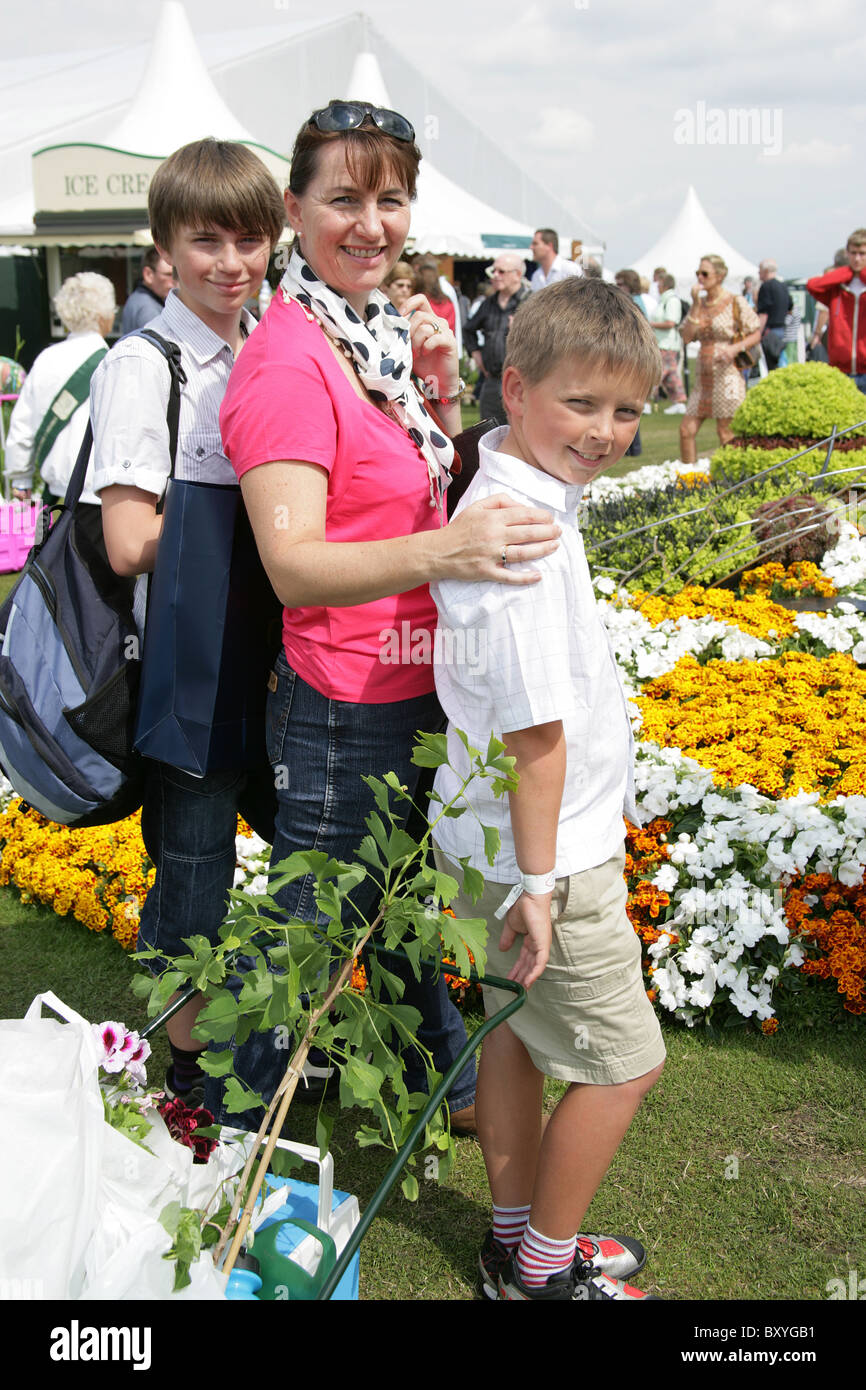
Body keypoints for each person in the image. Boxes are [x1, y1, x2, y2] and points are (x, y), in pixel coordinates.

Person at [215, 100, 561, 1133]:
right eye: (343, 199)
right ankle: (220, 1133)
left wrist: (440, 409)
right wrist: (448, 549)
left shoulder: (362, 336)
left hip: (411, 680)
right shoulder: (286, 362)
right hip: (340, 697)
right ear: (293, 209)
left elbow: (394, 490)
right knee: (307, 930)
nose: (370, 223)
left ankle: (448, 1083)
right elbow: (293, 564)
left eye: (390, 198)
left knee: (397, 903)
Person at [430, 276, 667, 1301]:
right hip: (544, 858)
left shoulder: (510, 491)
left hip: (481, 837)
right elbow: (534, 735)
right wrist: (538, 884)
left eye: (625, 409)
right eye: (581, 403)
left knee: (514, 1038)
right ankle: (538, 1274)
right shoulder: (519, 531)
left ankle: (509, 1235)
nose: (605, 431)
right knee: (622, 1064)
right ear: (516, 389)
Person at [89, 138, 286, 1106]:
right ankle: (190, 1068)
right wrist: (264, 525)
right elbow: (127, 538)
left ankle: (266, 1038)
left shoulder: (261, 350)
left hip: (265, 654)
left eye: (249, 239)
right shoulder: (145, 364)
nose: (229, 262)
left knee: (297, 845)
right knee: (197, 867)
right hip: (187, 662)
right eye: (205, 240)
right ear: (163, 248)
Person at [5, 272, 116, 508]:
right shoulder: (113, 362)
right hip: (103, 494)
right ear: (105, 315)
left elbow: (21, 427)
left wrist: (21, 479)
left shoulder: (46, 358)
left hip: (55, 497)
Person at [679, 254, 761, 465]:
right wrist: (696, 305)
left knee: (726, 431)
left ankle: (732, 478)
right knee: (686, 429)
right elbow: (687, 336)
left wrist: (735, 348)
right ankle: (689, 479)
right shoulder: (700, 304)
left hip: (728, 373)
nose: (700, 277)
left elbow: (756, 331)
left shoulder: (734, 301)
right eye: (697, 273)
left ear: (720, 275)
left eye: (704, 273)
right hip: (703, 375)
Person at [465, 252, 531, 424]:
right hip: (492, 382)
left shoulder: (532, 303)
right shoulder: (489, 303)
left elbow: (547, 341)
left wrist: (522, 330)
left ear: (517, 275)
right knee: (488, 435)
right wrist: (475, 353)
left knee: (521, 438)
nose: (495, 275)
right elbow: (468, 330)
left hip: (522, 383)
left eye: (501, 271)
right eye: (493, 271)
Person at [807, 229, 866, 393]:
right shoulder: (838, 288)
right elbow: (813, 285)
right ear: (847, 253)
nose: (857, 258)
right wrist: (847, 272)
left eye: (862, 254)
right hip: (841, 369)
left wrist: (862, 273)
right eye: (853, 253)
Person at [649, 271, 687, 412]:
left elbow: (671, 322)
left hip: (667, 343)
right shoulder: (664, 300)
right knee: (670, 375)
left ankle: (646, 400)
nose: (657, 287)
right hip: (662, 342)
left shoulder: (671, 300)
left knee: (657, 373)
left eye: (659, 284)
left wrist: (651, 324)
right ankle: (679, 401)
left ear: (664, 285)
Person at [120, 246, 175, 334]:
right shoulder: (148, 308)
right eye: (168, 275)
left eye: (175, 274)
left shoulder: (137, 299)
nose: (174, 281)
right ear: (148, 274)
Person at [756, 258, 793, 371]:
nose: (758, 273)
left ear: (766, 271)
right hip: (782, 328)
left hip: (769, 331)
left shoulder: (766, 287)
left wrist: (758, 334)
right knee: (781, 360)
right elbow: (790, 308)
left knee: (770, 365)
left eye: (760, 271)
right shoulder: (783, 286)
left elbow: (764, 313)